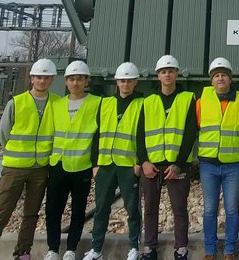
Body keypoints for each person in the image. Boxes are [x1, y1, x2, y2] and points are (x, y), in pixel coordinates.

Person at [0, 58, 60, 260]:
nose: (42, 81)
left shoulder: (57, 103)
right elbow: (3, 133)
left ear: (52, 80)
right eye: (39, 77)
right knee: (0, 213)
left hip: (40, 167)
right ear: (32, 78)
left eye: (46, 77)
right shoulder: (17, 102)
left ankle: (23, 252)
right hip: (15, 167)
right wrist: (14, 153)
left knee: (31, 214)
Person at [137, 55, 199, 260]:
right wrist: (144, 161)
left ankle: (181, 248)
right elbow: (140, 134)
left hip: (177, 166)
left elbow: (190, 133)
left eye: (171, 71)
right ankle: (150, 248)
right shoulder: (148, 102)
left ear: (177, 73)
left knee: (179, 209)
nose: (167, 74)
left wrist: (179, 164)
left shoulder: (187, 98)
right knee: (150, 209)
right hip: (152, 166)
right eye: (163, 71)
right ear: (158, 76)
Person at [83, 62, 145, 260]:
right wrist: (95, 163)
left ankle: (134, 247)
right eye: (122, 80)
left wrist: (139, 161)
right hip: (106, 165)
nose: (125, 84)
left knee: (132, 208)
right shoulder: (105, 103)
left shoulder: (142, 104)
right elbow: (97, 134)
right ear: (116, 82)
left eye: (129, 80)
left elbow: (143, 135)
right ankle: (96, 249)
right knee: (101, 208)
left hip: (128, 165)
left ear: (135, 82)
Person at [196, 57, 239, 260]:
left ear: (230, 79)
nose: (220, 78)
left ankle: (230, 250)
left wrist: (236, 147)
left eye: (224, 75)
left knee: (231, 209)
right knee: (210, 209)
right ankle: (210, 251)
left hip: (233, 165)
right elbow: (196, 129)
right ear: (211, 80)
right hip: (208, 165)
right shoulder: (202, 101)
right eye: (216, 75)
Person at [45, 60, 102, 260]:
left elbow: (98, 136)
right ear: (66, 81)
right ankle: (52, 249)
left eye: (79, 78)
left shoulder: (97, 103)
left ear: (87, 80)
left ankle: (70, 249)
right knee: (53, 209)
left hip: (81, 165)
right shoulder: (56, 104)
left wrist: (96, 163)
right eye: (71, 79)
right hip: (58, 165)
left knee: (78, 209)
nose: (75, 83)